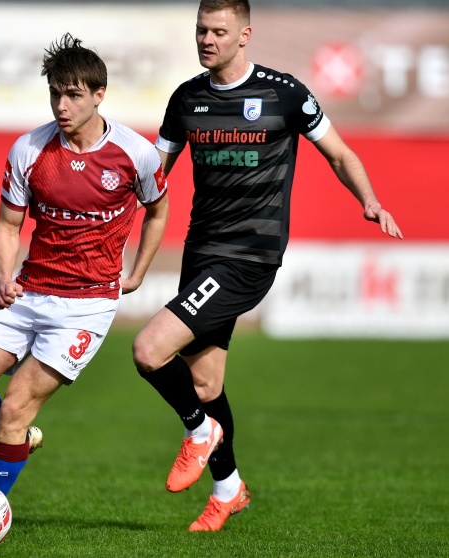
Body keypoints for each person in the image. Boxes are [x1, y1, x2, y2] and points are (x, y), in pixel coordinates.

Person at [132, 0, 403, 533]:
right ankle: (228, 489)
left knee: (148, 349)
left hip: (249, 256)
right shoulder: (186, 98)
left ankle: (198, 432)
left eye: (219, 31)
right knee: (205, 384)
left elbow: (340, 154)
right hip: (201, 252)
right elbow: (152, 173)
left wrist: (368, 199)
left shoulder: (285, 93)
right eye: (201, 30)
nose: (207, 39)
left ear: (245, 34)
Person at [0, 29, 168, 519]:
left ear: (100, 94)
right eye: (55, 93)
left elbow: (158, 211)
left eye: (74, 95)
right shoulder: (30, 149)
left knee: (16, 405)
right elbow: (8, 225)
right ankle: (17, 439)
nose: (62, 105)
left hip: (86, 305)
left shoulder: (136, 153)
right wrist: (3, 277)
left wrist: (138, 271)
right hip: (28, 292)